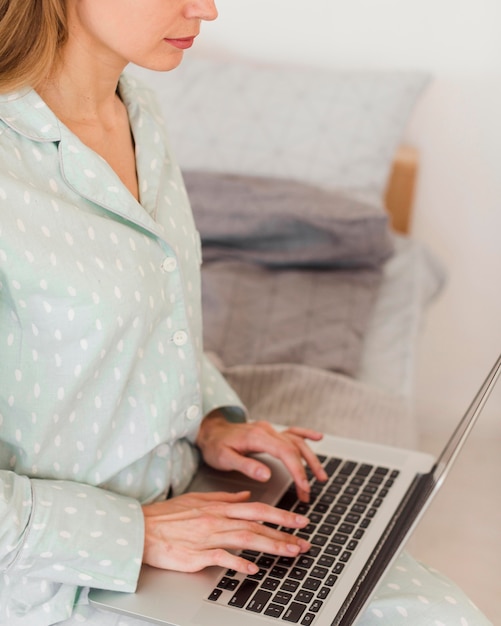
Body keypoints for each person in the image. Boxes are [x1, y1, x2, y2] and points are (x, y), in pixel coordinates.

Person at [0, 1, 492, 625]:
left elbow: (154, 319)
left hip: (196, 506)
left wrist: (212, 418)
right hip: (61, 579)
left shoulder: (139, 113)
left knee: (446, 615)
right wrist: (138, 535)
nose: (205, 8)